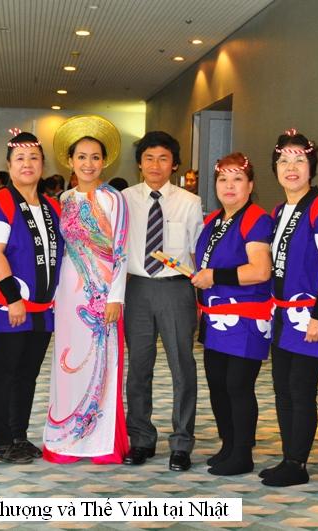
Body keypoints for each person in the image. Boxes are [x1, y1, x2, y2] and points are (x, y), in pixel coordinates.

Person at [42, 115, 129, 463]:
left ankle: (99, 444)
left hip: (102, 295)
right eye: (81, 157)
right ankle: (66, 441)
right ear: (70, 160)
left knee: (100, 364)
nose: (88, 164)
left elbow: (121, 250)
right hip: (68, 295)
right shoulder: (65, 199)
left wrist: (116, 297)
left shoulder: (114, 199)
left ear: (104, 161)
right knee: (67, 365)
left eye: (95, 157)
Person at [261, 130, 318, 487]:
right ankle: (288, 457)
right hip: (283, 313)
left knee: (301, 388)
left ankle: (298, 463)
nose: (291, 167)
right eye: (283, 161)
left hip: (312, 313)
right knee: (282, 387)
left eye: (299, 160)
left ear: (312, 167)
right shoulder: (280, 210)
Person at [0, 128, 64, 464]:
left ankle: (18, 435)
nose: (27, 164)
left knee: (27, 374)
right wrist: (12, 298)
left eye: (34, 158)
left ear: (43, 164)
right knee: (2, 372)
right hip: (7, 305)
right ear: (9, 165)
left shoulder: (52, 206)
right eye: (20, 158)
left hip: (42, 308)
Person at [121, 131, 203, 472]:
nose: (156, 165)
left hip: (176, 290)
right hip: (137, 288)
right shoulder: (123, 200)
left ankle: (182, 443)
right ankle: (141, 438)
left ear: (175, 165)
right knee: (139, 369)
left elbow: (197, 252)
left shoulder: (190, 202)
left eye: (163, 159)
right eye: (149, 158)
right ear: (139, 164)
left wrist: (201, 298)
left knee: (182, 366)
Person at [191, 152, 272, 476]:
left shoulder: (256, 219)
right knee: (218, 383)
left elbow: (260, 270)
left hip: (247, 318)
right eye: (223, 179)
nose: (229, 186)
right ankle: (228, 444)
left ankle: (242, 453)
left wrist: (214, 277)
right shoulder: (214, 220)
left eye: (237, 179)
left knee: (238, 385)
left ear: (250, 185)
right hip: (215, 317)